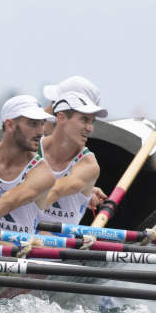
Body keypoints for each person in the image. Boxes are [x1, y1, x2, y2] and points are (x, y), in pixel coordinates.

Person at [0, 95, 55, 233]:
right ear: (10, 125)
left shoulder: (42, 172)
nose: (41, 131)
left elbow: (8, 202)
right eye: (33, 124)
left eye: (42, 123)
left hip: (19, 250)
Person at [37, 88, 108, 228]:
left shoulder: (89, 165)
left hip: (57, 240)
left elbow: (56, 191)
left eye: (92, 122)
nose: (90, 128)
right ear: (61, 118)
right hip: (19, 233)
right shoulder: (31, 148)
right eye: (84, 120)